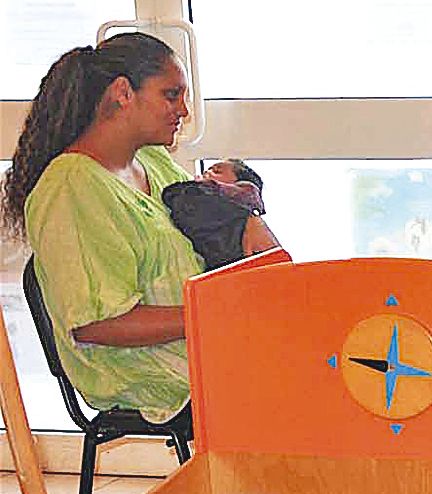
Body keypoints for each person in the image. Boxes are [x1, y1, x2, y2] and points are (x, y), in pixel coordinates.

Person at [4, 33, 264, 423]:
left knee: (332, 346)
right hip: (137, 368)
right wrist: (212, 314)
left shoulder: (151, 162)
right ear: (123, 93)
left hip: (199, 338)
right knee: (312, 374)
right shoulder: (71, 188)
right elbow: (96, 324)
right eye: (171, 95)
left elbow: (215, 225)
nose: (184, 111)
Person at [162, 158, 279, 270]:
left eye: (216, 171)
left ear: (239, 185)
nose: (207, 174)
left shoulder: (239, 199)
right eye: (205, 172)